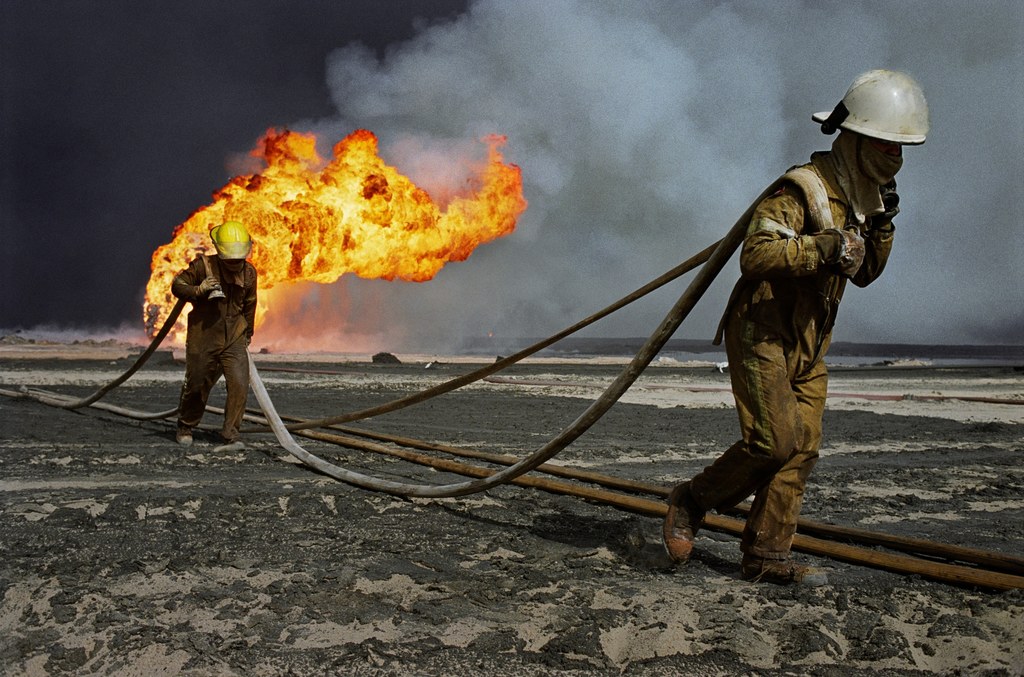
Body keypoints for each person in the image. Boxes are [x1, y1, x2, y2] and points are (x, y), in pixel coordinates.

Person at [663, 70, 929, 583]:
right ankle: (691, 503)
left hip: (809, 342)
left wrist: (882, 227)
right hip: (762, 330)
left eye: (901, 148)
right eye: (886, 144)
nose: (895, 158)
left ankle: (766, 557)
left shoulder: (863, 201)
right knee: (773, 441)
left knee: (803, 445)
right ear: (856, 139)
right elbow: (756, 255)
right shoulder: (801, 188)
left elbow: (868, 274)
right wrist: (826, 247)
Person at [172, 220, 258, 452]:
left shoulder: (249, 272)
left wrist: (248, 332)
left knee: (239, 384)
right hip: (205, 334)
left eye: (239, 258)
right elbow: (178, 285)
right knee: (198, 383)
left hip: (235, 337)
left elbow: (250, 304)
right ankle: (186, 425)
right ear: (220, 252)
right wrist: (197, 291)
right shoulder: (203, 266)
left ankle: (231, 434)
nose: (236, 263)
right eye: (231, 259)